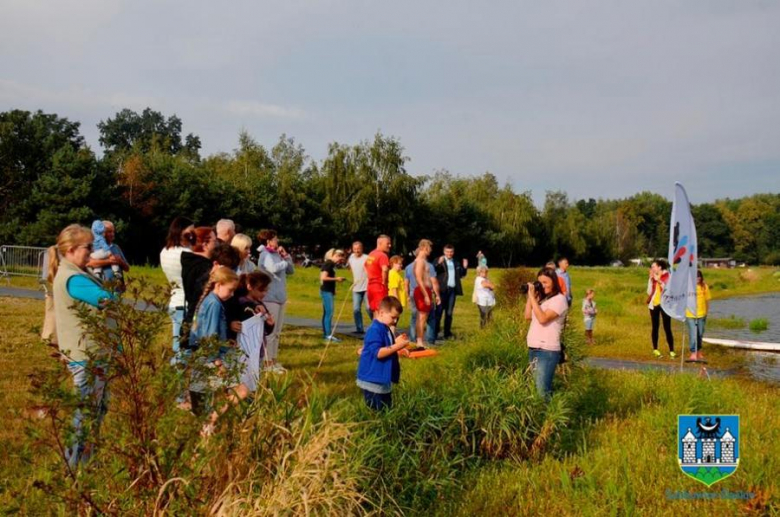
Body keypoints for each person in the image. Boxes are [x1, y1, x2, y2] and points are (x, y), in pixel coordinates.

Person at [52, 224, 115, 467]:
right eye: (87, 247)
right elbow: (108, 300)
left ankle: (87, 460)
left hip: (89, 352)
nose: (91, 252)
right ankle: (75, 463)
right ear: (69, 250)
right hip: (86, 354)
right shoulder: (74, 278)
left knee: (95, 408)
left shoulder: (75, 273)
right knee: (87, 410)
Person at [187, 266, 240, 417]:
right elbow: (209, 336)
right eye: (230, 289)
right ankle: (209, 426)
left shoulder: (211, 300)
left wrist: (225, 342)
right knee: (210, 398)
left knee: (205, 395)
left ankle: (206, 424)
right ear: (218, 285)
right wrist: (217, 362)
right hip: (209, 359)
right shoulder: (214, 304)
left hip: (204, 356)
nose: (232, 294)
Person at [356, 296, 408, 410]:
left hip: (382, 379)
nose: (395, 321)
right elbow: (378, 353)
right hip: (373, 381)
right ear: (381, 313)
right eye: (393, 317)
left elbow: (386, 345)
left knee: (386, 409)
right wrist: (397, 346)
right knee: (376, 412)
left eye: (397, 318)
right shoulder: (375, 330)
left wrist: (397, 344)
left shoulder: (386, 328)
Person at [525, 268, 568, 400]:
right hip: (534, 348)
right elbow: (527, 316)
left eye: (545, 282)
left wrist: (533, 297)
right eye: (539, 282)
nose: (542, 285)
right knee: (535, 389)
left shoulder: (559, 300)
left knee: (542, 392)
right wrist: (530, 296)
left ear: (554, 282)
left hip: (547, 350)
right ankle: (542, 417)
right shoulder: (542, 300)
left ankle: (548, 418)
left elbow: (543, 319)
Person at [257, 229, 294, 373]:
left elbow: (291, 271)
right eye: (275, 239)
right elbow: (272, 268)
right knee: (270, 333)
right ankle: (267, 363)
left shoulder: (277, 255)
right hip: (270, 298)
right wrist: (283, 262)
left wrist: (286, 257)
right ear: (268, 241)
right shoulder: (264, 255)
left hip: (281, 297)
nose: (277, 242)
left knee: (277, 332)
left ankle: (274, 360)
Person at [160, 216, 194, 359]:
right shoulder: (187, 254)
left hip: (174, 300)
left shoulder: (165, 251)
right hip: (185, 302)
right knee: (184, 347)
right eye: (190, 232)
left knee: (177, 342)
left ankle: (177, 377)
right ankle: (180, 378)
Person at [404, 252, 439, 345]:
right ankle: (428, 340)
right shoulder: (428, 265)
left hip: (413, 292)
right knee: (427, 317)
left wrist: (407, 295)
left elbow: (406, 283)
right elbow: (433, 281)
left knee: (415, 317)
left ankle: (413, 339)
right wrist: (435, 295)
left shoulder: (408, 267)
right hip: (423, 291)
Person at [434, 244, 468, 340]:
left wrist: (464, 267)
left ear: (453, 252)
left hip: (452, 291)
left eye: (451, 252)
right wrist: (438, 264)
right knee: (439, 312)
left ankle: (447, 333)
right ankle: (435, 333)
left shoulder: (455, 262)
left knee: (449, 313)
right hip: (442, 290)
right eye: (447, 252)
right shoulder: (439, 260)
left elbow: (461, 274)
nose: (449, 253)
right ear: (444, 252)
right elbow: (433, 271)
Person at [86, 220, 130, 287]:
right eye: (109, 232)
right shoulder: (92, 248)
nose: (112, 234)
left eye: (113, 231)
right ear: (102, 233)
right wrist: (110, 261)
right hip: (100, 288)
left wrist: (120, 261)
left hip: (116, 289)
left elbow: (127, 268)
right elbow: (89, 263)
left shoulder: (116, 247)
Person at [413, 240, 440, 348]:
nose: (431, 250)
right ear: (424, 247)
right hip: (421, 290)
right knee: (422, 317)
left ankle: (420, 340)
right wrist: (425, 294)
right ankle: (419, 341)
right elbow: (419, 278)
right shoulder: (420, 261)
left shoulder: (423, 260)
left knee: (424, 316)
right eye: (430, 247)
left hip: (426, 290)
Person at [647, 259, 676, 358]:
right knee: (655, 327)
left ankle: (671, 350)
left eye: (653, 267)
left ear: (659, 267)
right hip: (654, 304)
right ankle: (655, 349)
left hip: (665, 304)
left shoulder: (668, 276)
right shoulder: (652, 277)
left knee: (667, 327)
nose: (651, 269)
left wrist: (658, 280)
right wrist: (651, 280)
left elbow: (668, 290)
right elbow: (649, 292)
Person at [320, 249, 347, 342]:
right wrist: (337, 279)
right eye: (339, 257)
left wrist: (333, 289)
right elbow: (323, 277)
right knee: (329, 313)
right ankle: (328, 335)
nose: (340, 260)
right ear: (335, 255)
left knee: (326, 313)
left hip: (327, 290)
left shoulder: (329, 264)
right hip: (326, 291)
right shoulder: (329, 264)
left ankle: (326, 333)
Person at [686, 270, 711, 361]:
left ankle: (699, 351)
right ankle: (693, 352)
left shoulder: (704, 287)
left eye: (699, 276)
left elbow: (707, 300)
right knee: (693, 334)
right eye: (695, 277)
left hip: (701, 314)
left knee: (700, 334)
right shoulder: (687, 287)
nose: (697, 278)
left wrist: (706, 313)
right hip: (690, 314)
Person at [348, 241, 370, 333]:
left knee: (369, 308)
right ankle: (359, 329)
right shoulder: (351, 257)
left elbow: (371, 270)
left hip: (366, 287)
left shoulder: (367, 258)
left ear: (362, 249)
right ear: (353, 249)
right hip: (356, 288)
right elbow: (350, 267)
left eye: (358, 249)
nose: (357, 251)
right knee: (356, 309)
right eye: (355, 249)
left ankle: (377, 325)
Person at [365, 235, 391, 313]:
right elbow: (385, 269)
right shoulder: (383, 255)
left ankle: (375, 325)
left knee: (375, 311)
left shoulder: (371, 254)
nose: (390, 246)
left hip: (370, 286)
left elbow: (366, 267)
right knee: (382, 311)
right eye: (387, 243)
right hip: (379, 286)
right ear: (380, 243)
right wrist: (384, 283)